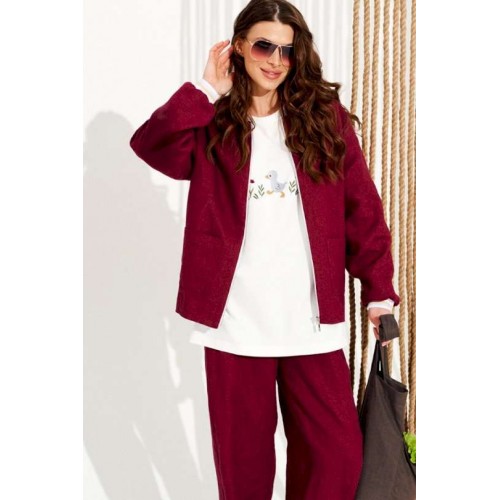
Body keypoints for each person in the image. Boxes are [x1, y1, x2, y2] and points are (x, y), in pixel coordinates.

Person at [129, 0, 400, 498]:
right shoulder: (213, 123)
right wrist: (205, 89)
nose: (275, 60)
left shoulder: (324, 120)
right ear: (238, 47)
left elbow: (362, 208)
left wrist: (378, 290)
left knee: (337, 457)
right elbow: (151, 144)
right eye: (263, 46)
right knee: (245, 474)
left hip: (311, 322)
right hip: (236, 325)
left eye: (287, 50)